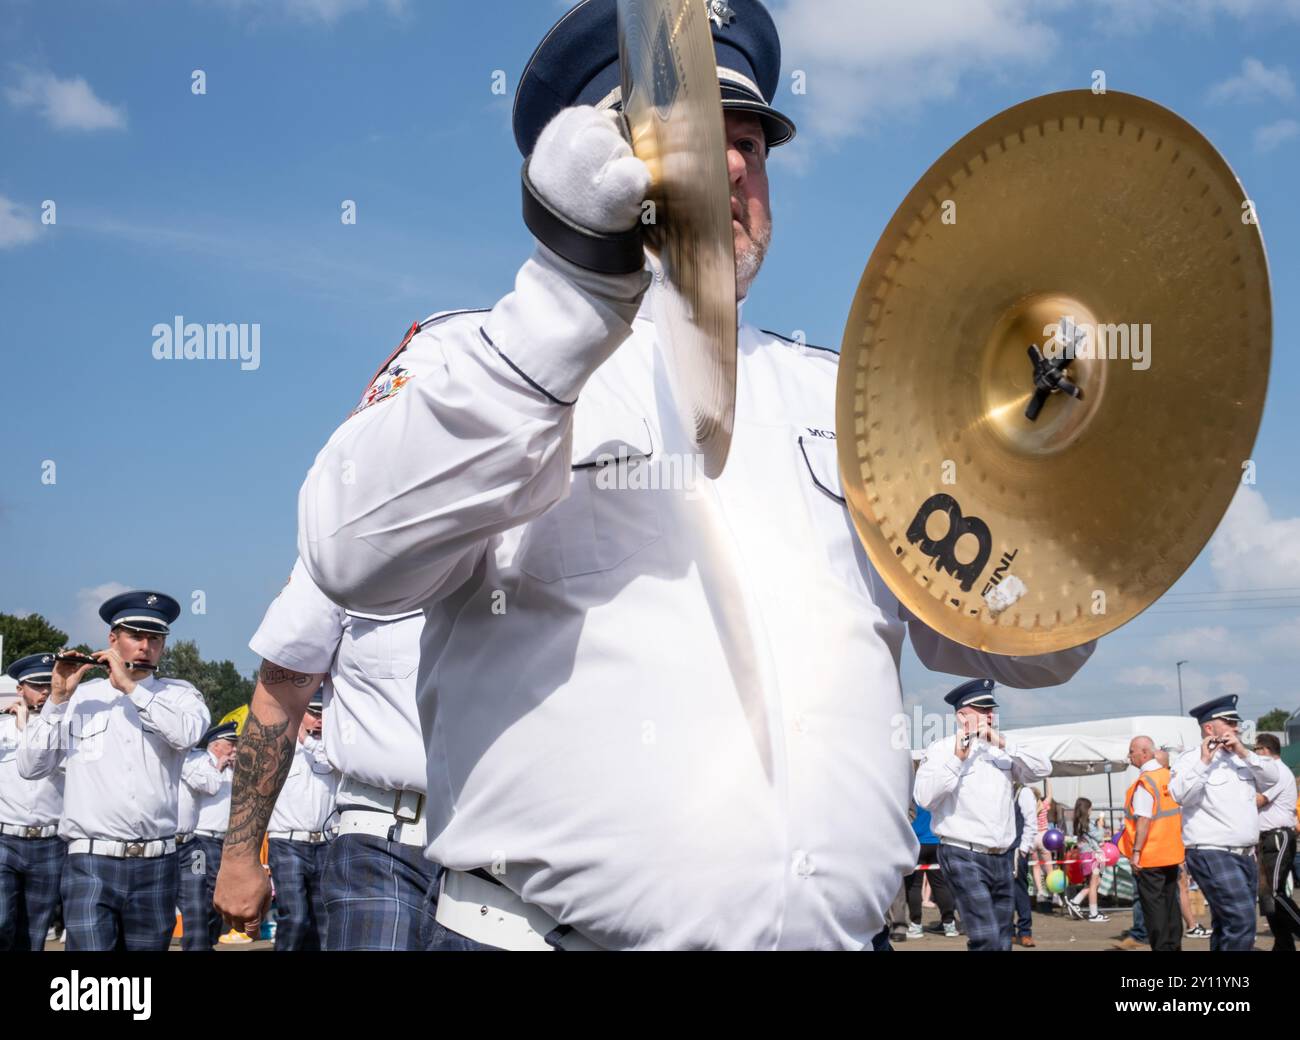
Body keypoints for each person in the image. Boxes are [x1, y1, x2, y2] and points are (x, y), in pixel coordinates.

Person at [294, 0, 1095, 952]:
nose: (731, 165)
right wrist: (574, 295)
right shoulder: (482, 354)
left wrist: (1073, 475)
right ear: (597, 154)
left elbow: (1027, 647)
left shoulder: (850, 401)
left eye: (752, 140)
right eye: (693, 130)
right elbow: (353, 550)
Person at [215, 558, 435, 950]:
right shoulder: (339, 544)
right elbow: (278, 705)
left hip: (512, 838)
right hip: (386, 839)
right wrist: (239, 856)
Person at [18, 591, 210, 951]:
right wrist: (57, 700)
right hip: (89, 858)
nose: (145, 646)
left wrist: (131, 689)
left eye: (155, 638)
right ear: (112, 639)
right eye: (135, 636)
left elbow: (187, 734)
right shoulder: (79, 697)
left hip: (157, 860)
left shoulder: (179, 695)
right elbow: (31, 767)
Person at [914, 679, 1052, 951]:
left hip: (1001, 856)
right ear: (962, 716)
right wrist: (957, 759)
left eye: (991, 709)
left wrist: (1002, 742)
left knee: (1002, 939)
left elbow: (1043, 768)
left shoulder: (1001, 749)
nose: (989, 715)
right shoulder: (941, 749)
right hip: (962, 851)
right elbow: (924, 797)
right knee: (986, 937)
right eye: (981, 709)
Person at [1169, 695, 1281, 952]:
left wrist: (1242, 751)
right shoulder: (1190, 760)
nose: (1237, 727)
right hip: (1212, 850)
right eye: (1230, 722)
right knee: (1241, 921)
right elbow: (1180, 795)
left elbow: (1274, 777)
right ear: (1209, 728)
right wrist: (1204, 762)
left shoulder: (1242, 757)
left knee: (1225, 924)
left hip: (1244, 854)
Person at [0, 653, 65, 951]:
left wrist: (28, 728)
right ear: (20, 689)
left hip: (48, 841)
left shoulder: (65, 728)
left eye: (48, 685)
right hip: (5, 837)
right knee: (2, 921)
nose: (44, 692)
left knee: (34, 930)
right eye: (37, 685)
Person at [264, 693, 337, 951]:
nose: (318, 720)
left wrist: (306, 741)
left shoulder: (331, 749)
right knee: (294, 918)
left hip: (325, 843)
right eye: (312, 713)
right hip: (287, 842)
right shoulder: (276, 748)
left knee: (325, 922)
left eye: (322, 714)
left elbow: (335, 762)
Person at [1114, 736, 1184, 950]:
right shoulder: (1168, 776)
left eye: (1131, 751)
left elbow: (1143, 819)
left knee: (1154, 910)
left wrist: (1136, 852)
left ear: (1144, 753)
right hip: (1171, 853)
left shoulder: (1145, 782)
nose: (1129, 756)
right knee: (1172, 905)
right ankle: (1174, 946)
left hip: (1150, 856)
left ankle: (1162, 947)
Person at [177, 719, 237, 951]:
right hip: (201, 840)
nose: (234, 748)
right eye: (230, 743)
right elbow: (208, 786)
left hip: (222, 840)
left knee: (216, 890)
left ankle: (205, 940)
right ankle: (201, 940)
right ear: (215, 745)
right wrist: (219, 766)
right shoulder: (199, 760)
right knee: (208, 887)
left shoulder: (232, 767)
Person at [1253, 733, 1299, 951]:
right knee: (1268, 899)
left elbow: (1259, 800)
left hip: (1278, 837)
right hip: (1267, 838)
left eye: (1256, 750)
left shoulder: (1278, 772)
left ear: (1265, 751)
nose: (1254, 754)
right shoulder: (1271, 773)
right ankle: (1283, 945)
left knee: (1274, 893)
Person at [905, 797, 957, 940]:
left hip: (917, 842)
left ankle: (916, 926)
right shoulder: (937, 793)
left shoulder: (913, 792)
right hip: (936, 841)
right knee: (940, 885)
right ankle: (949, 924)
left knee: (914, 885)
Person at [1011, 782, 1038, 946]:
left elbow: (1031, 821)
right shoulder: (1002, 789)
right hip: (1002, 848)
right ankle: (1008, 930)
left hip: (1016, 849)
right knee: (1003, 891)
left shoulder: (1024, 792)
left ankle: (1025, 931)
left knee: (1019, 890)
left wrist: (1023, 848)